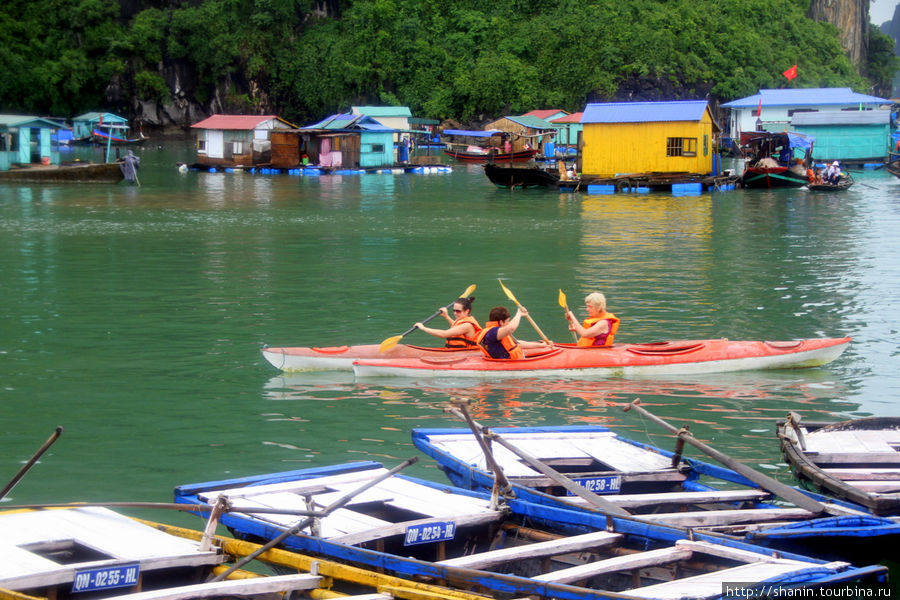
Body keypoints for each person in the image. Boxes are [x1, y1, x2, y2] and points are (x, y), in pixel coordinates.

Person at [475, 306, 548, 359]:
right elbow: (511, 328)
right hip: (505, 364)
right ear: (501, 322)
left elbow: (518, 343)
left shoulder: (498, 332)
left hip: (511, 361)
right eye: (508, 321)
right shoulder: (492, 333)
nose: (509, 323)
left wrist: (541, 345)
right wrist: (519, 313)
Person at [415, 296, 481, 348]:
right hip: (460, 354)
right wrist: (446, 316)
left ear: (467, 311)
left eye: (458, 311)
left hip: (466, 355)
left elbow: (443, 334)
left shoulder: (467, 325)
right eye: (454, 310)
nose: (455, 313)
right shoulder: (463, 320)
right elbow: (456, 327)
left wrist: (423, 328)